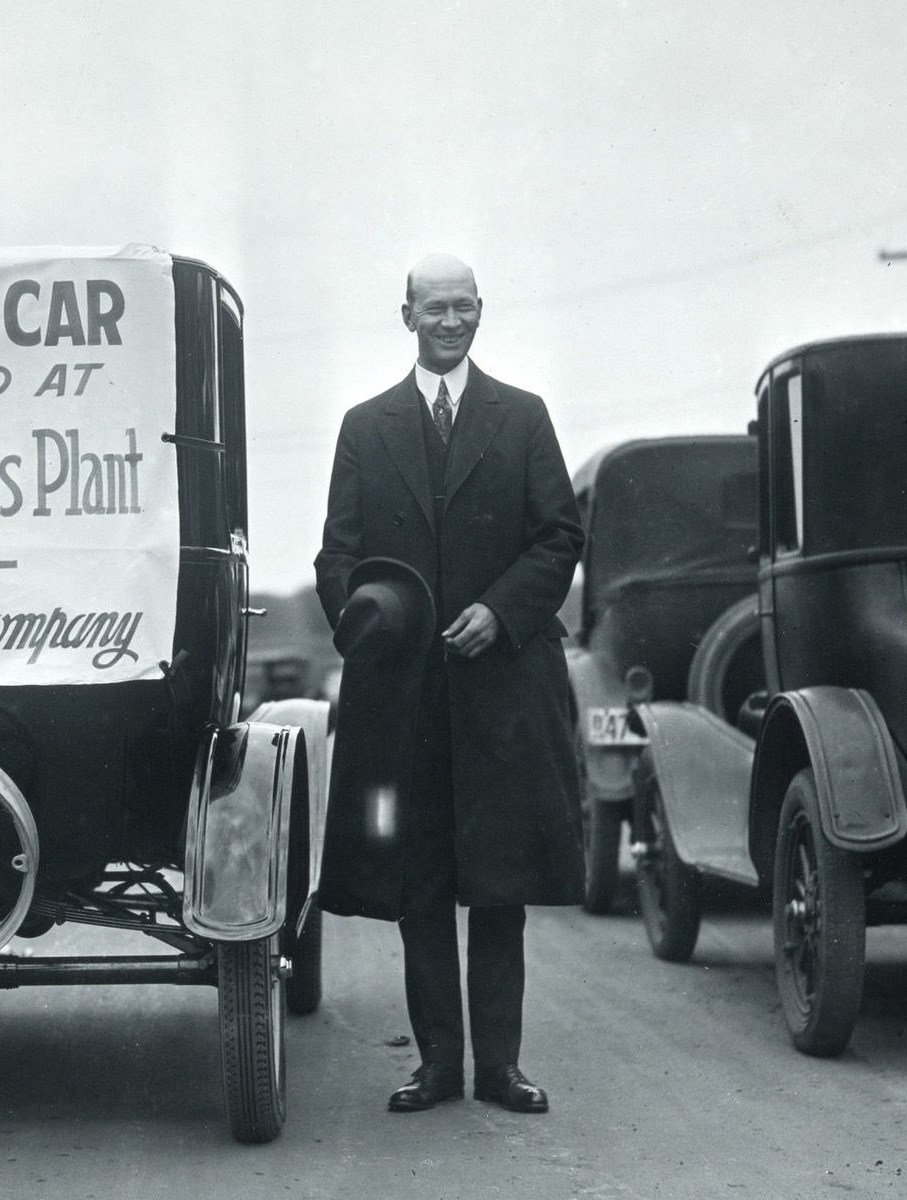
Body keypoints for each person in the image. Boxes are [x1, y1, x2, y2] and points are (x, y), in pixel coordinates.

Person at [315, 254, 585, 1115]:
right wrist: (370, 621)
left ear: (480, 313)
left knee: (499, 882)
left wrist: (500, 614)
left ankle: (499, 1069)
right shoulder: (366, 426)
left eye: (463, 307)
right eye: (434, 308)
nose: (449, 321)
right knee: (418, 880)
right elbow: (338, 556)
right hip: (404, 702)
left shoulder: (524, 416)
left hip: (501, 689)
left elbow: (558, 537)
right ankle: (438, 1068)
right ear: (406, 316)